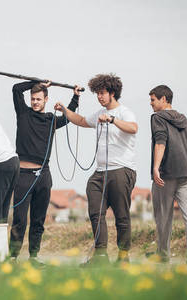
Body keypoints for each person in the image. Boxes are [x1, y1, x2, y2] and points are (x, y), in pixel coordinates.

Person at [55, 73, 137, 264]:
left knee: (121, 215)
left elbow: (133, 128)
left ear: (112, 93)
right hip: (100, 173)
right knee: (95, 212)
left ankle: (123, 257)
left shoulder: (125, 112)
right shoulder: (99, 114)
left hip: (121, 170)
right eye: (97, 94)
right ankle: (100, 255)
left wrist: (112, 120)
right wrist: (65, 110)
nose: (99, 97)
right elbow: (82, 121)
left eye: (102, 93)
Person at [9, 81, 80, 263]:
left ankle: (34, 256)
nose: (35, 102)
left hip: (43, 176)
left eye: (38, 99)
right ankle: (13, 257)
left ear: (46, 99)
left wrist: (75, 97)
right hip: (23, 176)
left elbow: (69, 117)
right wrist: (36, 83)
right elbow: (17, 89)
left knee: (38, 220)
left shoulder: (51, 119)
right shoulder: (23, 114)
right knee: (19, 220)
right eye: (33, 99)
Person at [149, 85, 187, 265]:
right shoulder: (184, 119)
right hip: (186, 171)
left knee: (163, 216)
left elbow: (160, 142)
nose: (151, 103)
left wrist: (156, 167)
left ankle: (163, 254)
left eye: (153, 100)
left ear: (164, 99)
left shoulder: (157, 118)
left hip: (167, 172)